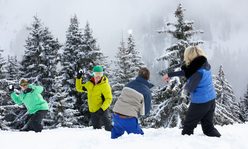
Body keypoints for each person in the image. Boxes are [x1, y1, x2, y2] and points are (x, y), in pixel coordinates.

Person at [163, 46, 221, 137]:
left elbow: (191, 88)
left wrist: (184, 86)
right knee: (208, 128)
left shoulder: (198, 72)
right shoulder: (204, 64)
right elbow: (188, 72)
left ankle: (186, 144)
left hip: (200, 102)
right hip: (211, 100)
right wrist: (170, 75)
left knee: (188, 127)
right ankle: (219, 142)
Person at [111, 67, 154, 139]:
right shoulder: (147, 91)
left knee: (115, 138)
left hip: (116, 114)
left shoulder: (128, 84)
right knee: (139, 138)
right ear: (149, 78)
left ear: (138, 75)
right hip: (128, 118)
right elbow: (144, 113)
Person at [75, 65, 113, 131]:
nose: (98, 76)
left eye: (100, 74)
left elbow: (108, 99)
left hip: (102, 109)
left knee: (108, 127)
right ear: (93, 74)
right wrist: (78, 78)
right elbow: (79, 88)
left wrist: (102, 108)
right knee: (96, 129)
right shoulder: (90, 84)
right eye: (96, 74)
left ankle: (114, 137)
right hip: (93, 110)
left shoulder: (105, 85)